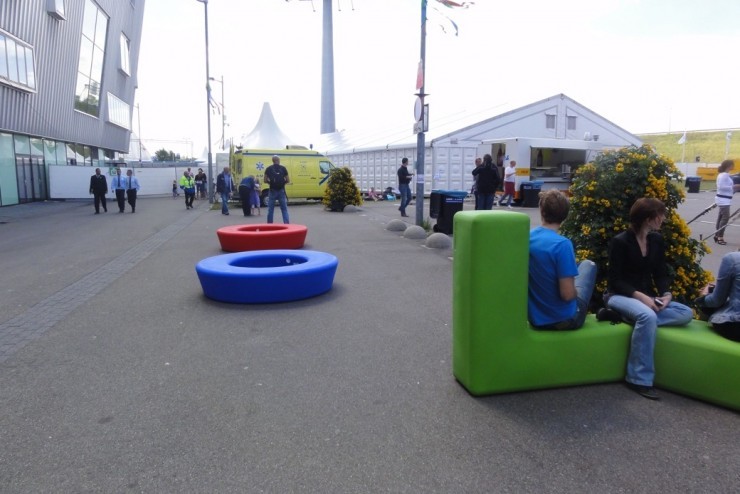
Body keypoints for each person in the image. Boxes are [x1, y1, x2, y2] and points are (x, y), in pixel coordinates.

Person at [605, 198, 693, 400]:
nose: (663, 219)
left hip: (647, 298)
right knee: (648, 316)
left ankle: (629, 318)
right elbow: (615, 281)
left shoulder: (656, 241)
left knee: (685, 312)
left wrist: (666, 295)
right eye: (660, 215)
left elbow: (660, 273)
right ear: (647, 218)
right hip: (619, 296)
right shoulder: (621, 242)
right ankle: (638, 379)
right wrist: (642, 298)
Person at [528, 190, 597, 330]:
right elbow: (567, 295)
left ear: (542, 211)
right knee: (588, 265)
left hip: (536, 318)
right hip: (563, 319)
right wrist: (576, 290)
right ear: (565, 216)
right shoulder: (562, 245)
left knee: (578, 266)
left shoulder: (528, 237)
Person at [694, 251, 740, 342]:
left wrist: (702, 297)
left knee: (707, 303)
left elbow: (717, 301)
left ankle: (700, 340)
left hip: (734, 325)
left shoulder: (732, 259)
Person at [713, 159, 740, 245]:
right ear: (729, 166)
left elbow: (726, 187)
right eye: (732, 165)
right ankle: (720, 236)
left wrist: (734, 188)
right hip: (723, 200)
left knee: (721, 218)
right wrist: (734, 186)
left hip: (724, 199)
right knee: (725, 218)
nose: (733, 166)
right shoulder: (724, 175)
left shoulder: (725, 175)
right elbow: (721, 187)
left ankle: (717, 234)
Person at [265, 155, 290, 223]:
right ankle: (287, 224)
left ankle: (270, 225)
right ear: (278, 160)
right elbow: (288, 180)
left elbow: (265, 180)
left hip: (272, 190)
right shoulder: (283, 168)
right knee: (284, 209)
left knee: (270, 209)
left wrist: (270, 183)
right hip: (281, 190)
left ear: (272, 161)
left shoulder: (268, 169)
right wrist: (283, 183)